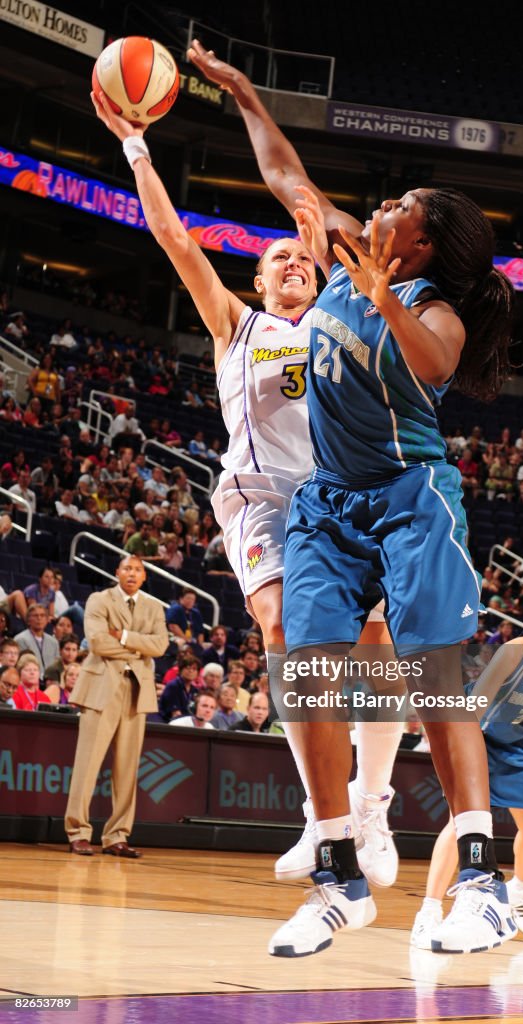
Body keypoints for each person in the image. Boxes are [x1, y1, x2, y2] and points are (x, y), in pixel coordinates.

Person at [188, 41, 516, 957]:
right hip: (330, 503)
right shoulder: (336, 252)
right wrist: (248, 95)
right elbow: (286, 173)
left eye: (401, 209)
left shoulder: (431, 302)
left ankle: (484, 881)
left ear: (422, 244)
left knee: (432, 677)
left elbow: (434, 363)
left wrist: (384, 295)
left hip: (411, 496)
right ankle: (338, 875)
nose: (383, 206)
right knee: (303, 659)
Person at [92, 85, 405, 912]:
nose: (294, 264)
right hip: (263, 499)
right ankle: (320, 813)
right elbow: (170, 235)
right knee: (278, 628)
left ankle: (369, 809)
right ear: (258, 281)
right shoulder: (239, 325)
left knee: (378, 647)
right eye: (278, 261)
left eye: (301, 258)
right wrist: (135, 146)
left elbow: (322, 226)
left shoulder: (339, 321)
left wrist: (324, 239)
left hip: (341, 497)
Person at [410, 593, 523, 949]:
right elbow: (479, 699)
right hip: (476, 734)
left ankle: (521, 892)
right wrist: (460, 747)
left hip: (518, 744)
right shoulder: (515, 651)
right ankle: (429, 911)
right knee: (460, 824)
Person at [64, 555, 169, 857]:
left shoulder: (153, 607)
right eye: (126, 568)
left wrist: (122, 636)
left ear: (144, 576)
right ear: (117, 573)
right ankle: (77, 832)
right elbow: (97, 642)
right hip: (100, 688)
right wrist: (139, 648)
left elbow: (160, 645)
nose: (132, 573)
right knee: (87, 766)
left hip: (136, 692)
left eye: (137, 569)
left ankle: (117, 836)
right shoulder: (100, 599)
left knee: (127, 770)